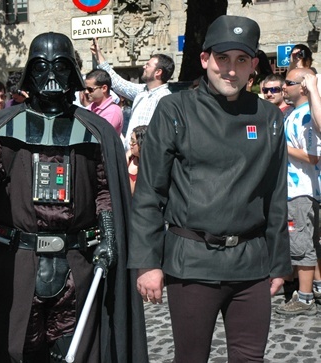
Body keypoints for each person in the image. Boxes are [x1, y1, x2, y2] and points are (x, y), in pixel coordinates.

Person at [0, 31, 148, 363]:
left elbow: (105, 190)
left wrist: (109, 237)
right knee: (14, 349)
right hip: (15, 265)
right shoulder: (1, 128)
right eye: (41, 67)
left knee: (74, 351)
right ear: (29, 73)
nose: (51, 77)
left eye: (61, 67)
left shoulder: (96, 131)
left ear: (74, 72)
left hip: (75, 264)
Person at [129, 15, 292, 362]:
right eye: (223, 59)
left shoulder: (269, 118)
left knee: (250, 358)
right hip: (192, 264)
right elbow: (149, 193)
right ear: (205, 60)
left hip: (251, 265)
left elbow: (275, 196)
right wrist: (147, 263)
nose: (231, 70)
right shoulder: (175, 109)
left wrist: (279, 263)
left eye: (241, 60)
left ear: (254, 66)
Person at [275, 67, 321, 316]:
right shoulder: (295, 113)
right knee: (309, 242)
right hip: (295, 190)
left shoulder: (306, 116)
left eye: (288, 82)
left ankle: (304, 299)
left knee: (301, 245)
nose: (284, 86)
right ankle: (316, 288)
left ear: (303, 87)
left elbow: (313, 156)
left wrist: (279, 145)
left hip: (301, 191)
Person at [90, 37, 174, 150]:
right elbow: (118, 83)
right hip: (131, 155)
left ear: (158, 72)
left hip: (146, 157)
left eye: (148, 65)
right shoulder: (142, 91)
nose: (144, 66)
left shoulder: (165, 98)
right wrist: (98, 55)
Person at [84, 69, 123, 136]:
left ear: (104, 88)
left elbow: (101, 136)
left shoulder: (113, 112)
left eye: (90, 89)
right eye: (85, 88)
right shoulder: (91, 107)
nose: (86, 92)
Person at [126, 125, 147, 195]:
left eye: (133, 141)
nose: (130, 143)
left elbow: (133, 191)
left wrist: (122, 168)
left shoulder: (147, 167)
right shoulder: (130, 156)